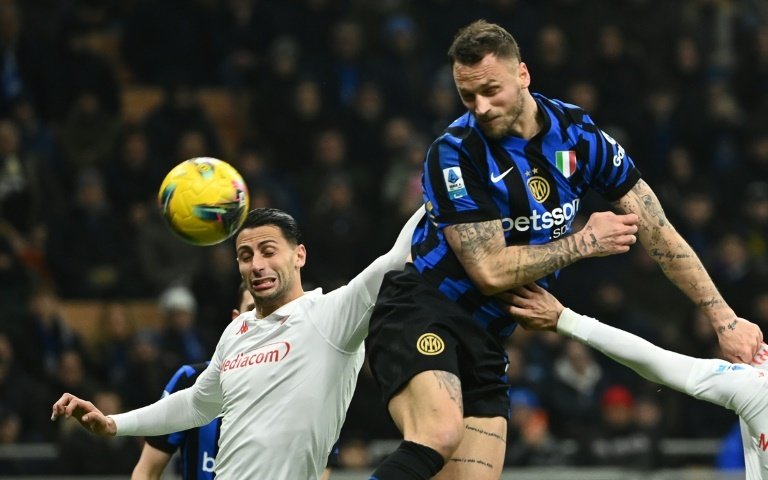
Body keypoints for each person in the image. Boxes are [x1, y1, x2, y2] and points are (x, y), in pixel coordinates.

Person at [365, 19, 762, 480]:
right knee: (438, 433)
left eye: (491, 90)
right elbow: (489, 271)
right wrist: (584, 241)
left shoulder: (578, 134)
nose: (482, 106)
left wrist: (723, 317)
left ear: (523, 74)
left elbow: (658, 229)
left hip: (488, 335)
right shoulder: (454, 152)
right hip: (423, 309)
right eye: (468, 96)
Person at [52, 205, 424, 479]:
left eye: (268, 251)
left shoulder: (332, 315)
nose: (256, 265)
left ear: (299, 255)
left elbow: (395, 258)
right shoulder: (237, 330)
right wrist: (113, 423)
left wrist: (448, 172)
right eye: (245, 257)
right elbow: (198, 403)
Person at [505, 283, 768, 480]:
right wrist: (568, 320)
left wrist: (567, 320)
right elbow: (656, 362)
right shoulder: (757, 385)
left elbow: (656, 363)